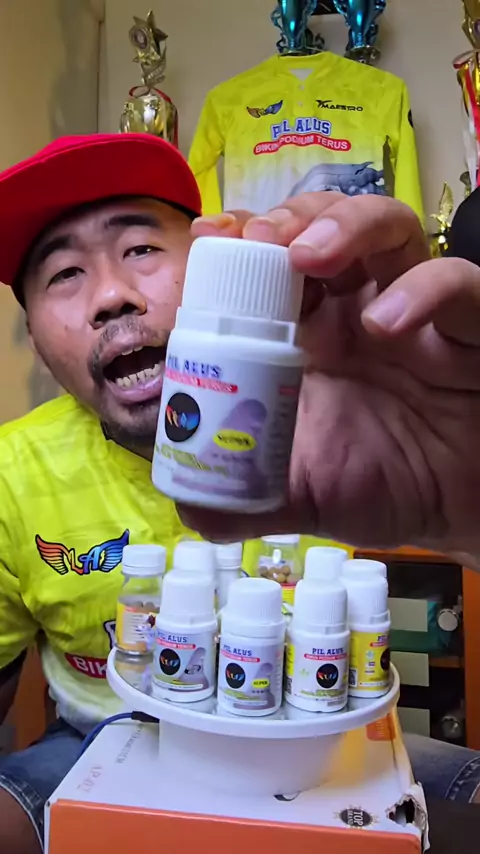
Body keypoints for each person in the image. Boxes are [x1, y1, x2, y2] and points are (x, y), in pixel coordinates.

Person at [0, 134, 479, 854]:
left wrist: (468, 506)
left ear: (215, 265)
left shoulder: (336, 404)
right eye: (64, 273)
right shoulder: (13, 470)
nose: (110, 295)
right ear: (35, 336)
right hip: (102, 739)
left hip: (320, 745)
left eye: (140, 249)